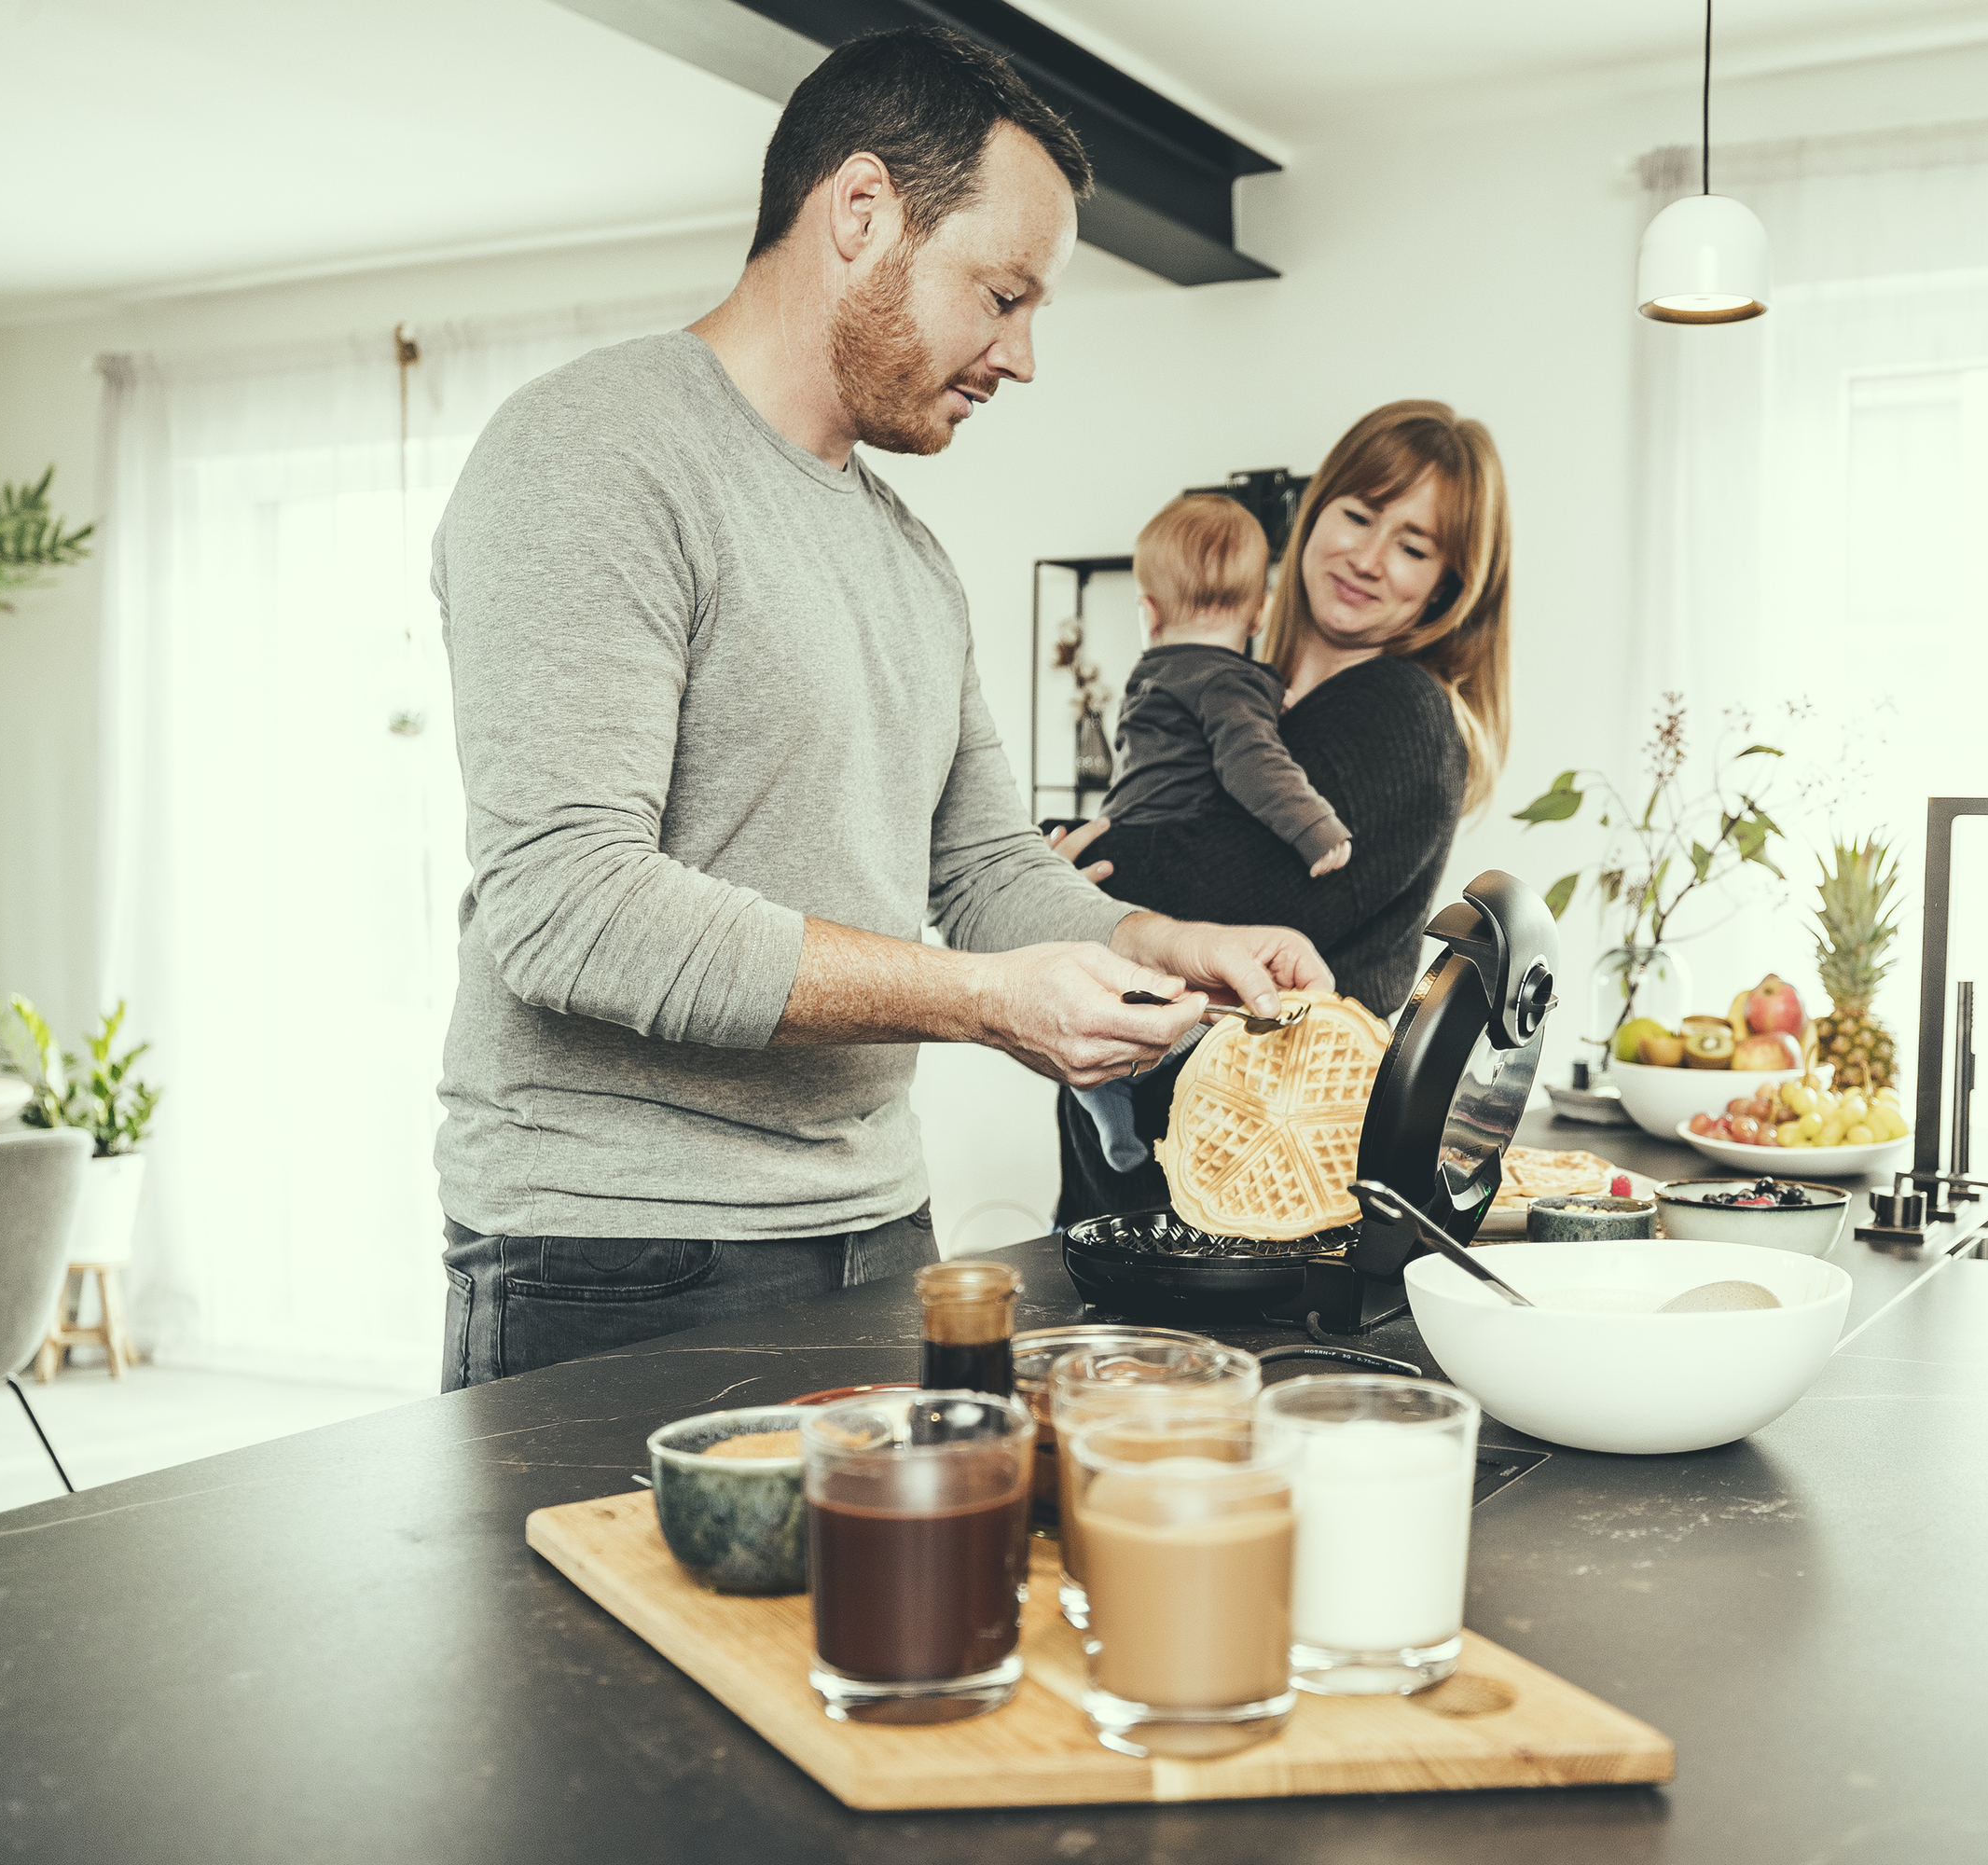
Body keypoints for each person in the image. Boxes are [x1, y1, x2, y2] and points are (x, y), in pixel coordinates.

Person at [429, 27, 1330, 1391]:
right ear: (862, 212)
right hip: (619, 1249)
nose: (1024, 356)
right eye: (1003, 294)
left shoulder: (908, 555)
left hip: (875, 1221)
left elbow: (986, 868)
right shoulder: (594, 452)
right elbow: (569, 906)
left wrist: (1168, 946)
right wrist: (983, 1003)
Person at [1052, 400, 1514, 1223]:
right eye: (1359, 516)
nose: (1368, 558)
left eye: (1412, 547)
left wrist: (1046, 884)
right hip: (1136, 1190)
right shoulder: (1247, 689)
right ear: (1315, 511)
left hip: (1254, 1207)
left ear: (1449, 586)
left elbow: (1210, 899)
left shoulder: (1399, 716)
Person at [1099, 493, 1352, 879]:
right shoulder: (1228, 684)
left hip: (1120, 833)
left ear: (1149, 613)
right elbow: (1253, 761)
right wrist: (1314, 825)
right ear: (1261, 614)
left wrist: (1267, 699)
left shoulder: (1156, 676)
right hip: (1167, 849)